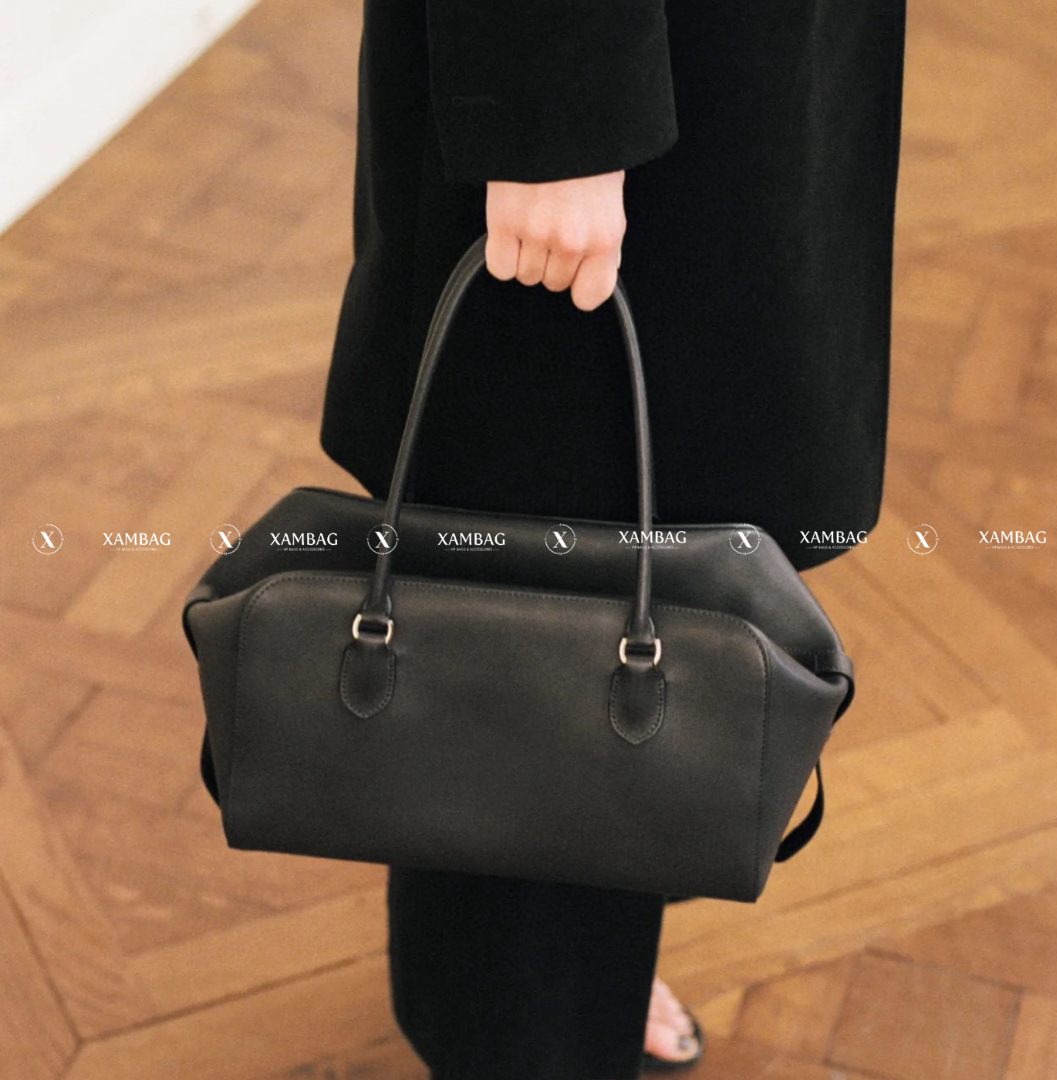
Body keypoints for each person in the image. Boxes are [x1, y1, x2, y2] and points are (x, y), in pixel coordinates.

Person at [320, 0, 907, 1076]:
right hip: (587, 92)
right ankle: (523, 1031)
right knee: (521, 603)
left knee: (654, 563)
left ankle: (587, 977)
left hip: (737, 70)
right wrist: (556, 120)